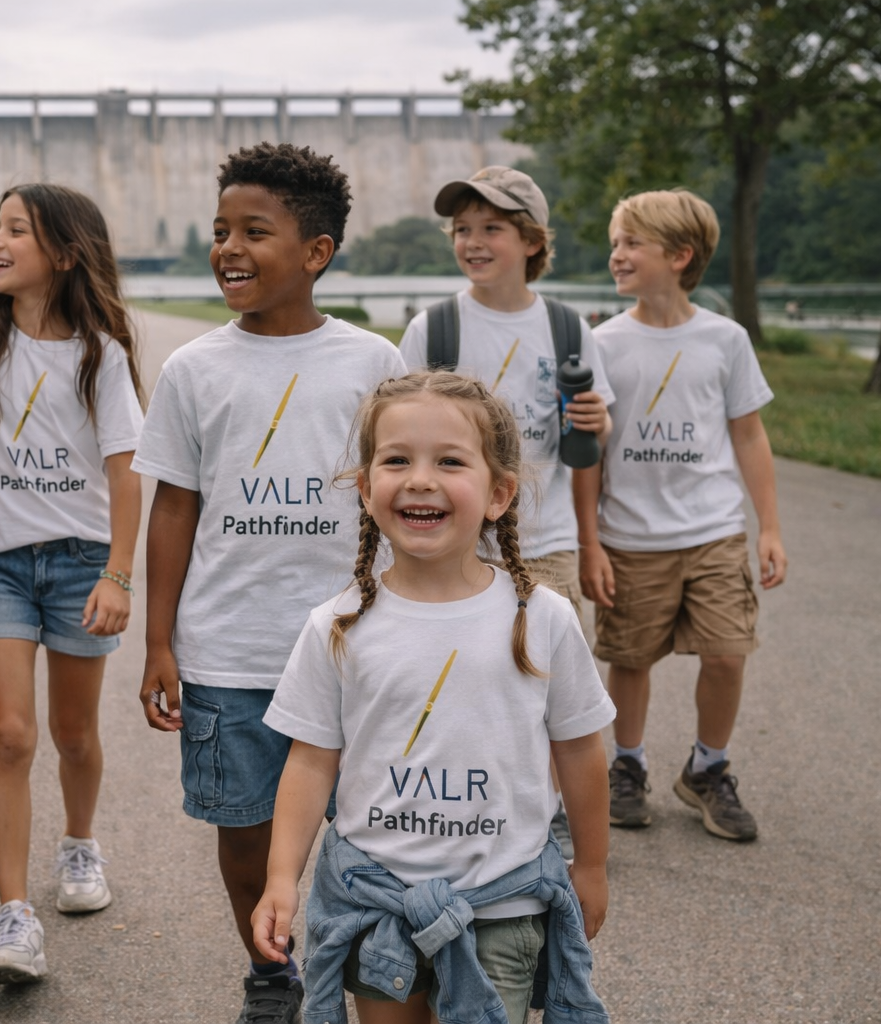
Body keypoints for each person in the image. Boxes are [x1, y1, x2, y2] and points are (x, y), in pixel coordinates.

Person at [134, 142, 407, 1024]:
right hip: (230, 650)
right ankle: (269, 970)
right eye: (220, 232)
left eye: (255, 231)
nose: (228, 249)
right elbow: (174, 508)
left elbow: (407, 497)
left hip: (352, 649)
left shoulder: (374, 363)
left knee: (367, 832)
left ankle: (363, 968)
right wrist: (159, 639)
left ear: (316, 252)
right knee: (246, 831)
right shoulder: (193, 369)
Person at [252, 372, 614, 1024]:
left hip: (500, 908)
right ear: (366, 490)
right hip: (377, 902)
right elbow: (309, 763)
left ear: (500, 493)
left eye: (449, 461)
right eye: (396, 461)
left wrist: (590, 864)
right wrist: (282, 878)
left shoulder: (544, 619)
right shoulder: (337, 625)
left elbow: (581, 749)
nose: (420, 479)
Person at [397, 165, 615, 861]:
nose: (473, 242)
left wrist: (592, 541)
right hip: (452, 542)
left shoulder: (568, 328)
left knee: (541, 679)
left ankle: (546, 810)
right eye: (462, 229)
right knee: (456, 675)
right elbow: (397, 437)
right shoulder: (434, 329)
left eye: (492, 227)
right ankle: (459, 804)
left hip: (544, 541)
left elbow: (584, 449)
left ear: (531, 241)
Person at [0, 184, 144, 985]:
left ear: (64, 252)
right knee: (10, 734)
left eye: (16, 231)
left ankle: (78, 844)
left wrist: (118, 575)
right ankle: (12, 916)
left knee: (73, 734)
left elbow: (126, 471)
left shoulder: (101, 351)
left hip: (78, 561)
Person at [577, 188, 787, 842]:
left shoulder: (725, 339)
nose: (617, 255)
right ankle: (629, 766)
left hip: (713, 531)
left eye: (630, 243)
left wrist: (770, 526)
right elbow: (589, 452)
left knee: (728, 652)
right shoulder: (601, 341)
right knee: (632, 658)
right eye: (615, 243)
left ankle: (707, 768)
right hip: (631, 535)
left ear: (679, 255)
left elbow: (749, 435)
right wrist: (590, 542)